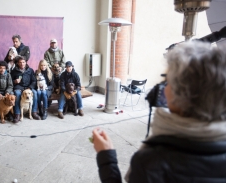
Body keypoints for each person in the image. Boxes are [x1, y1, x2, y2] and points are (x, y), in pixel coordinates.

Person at [92, 42, 226, 183]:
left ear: (181, 95)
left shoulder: (151, 163)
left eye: (167, 81)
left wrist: (106, 157)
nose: (162, 87)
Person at [10, 56, 40, 123]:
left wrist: (30, 88)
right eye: (20, 62)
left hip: (28, 87)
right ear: (17, 63)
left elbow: (34, 81)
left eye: (23, 62)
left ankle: (34, 112)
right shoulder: (14, 71)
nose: (22, 64)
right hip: (18, 87)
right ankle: (17, 114)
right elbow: (10, 81)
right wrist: (15, 81)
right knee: (17, 94)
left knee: (34, 93)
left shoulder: (30, 70)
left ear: (26, 62)